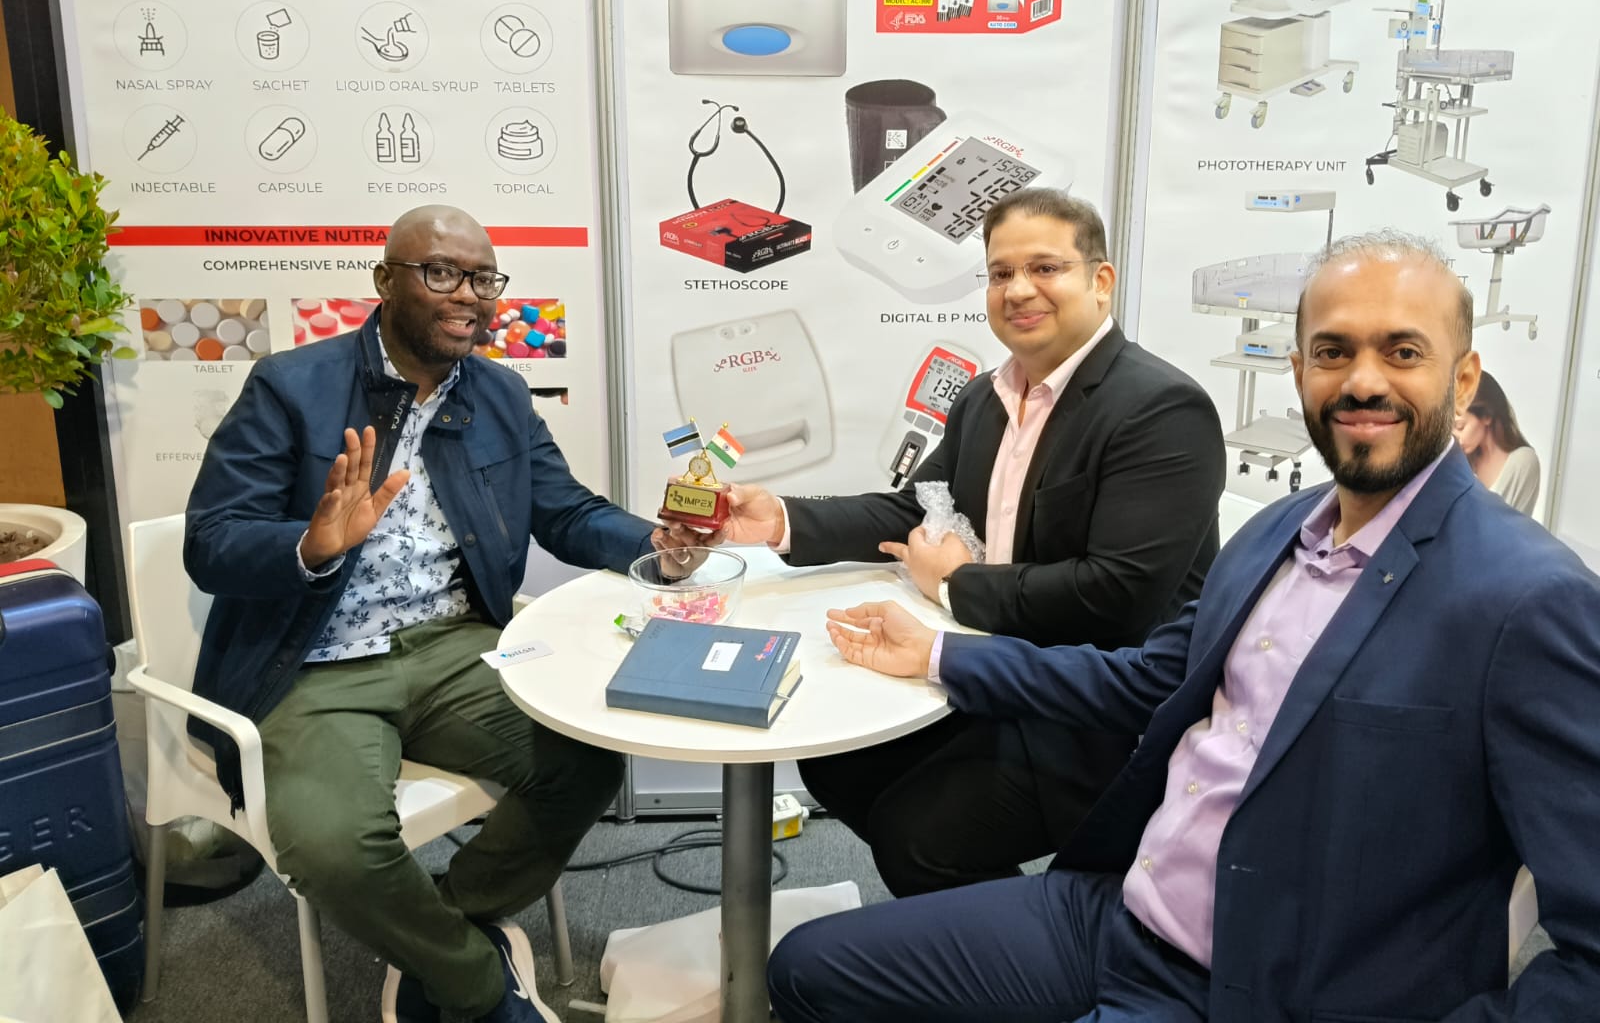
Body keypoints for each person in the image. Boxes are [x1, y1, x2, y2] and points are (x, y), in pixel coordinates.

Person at [767, 230, 1600, 1022]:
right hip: (1124, 915)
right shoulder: (1280, 531)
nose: (1363, 382)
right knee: (805, 971)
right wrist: (938, 655)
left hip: (1257, 984)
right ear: (1299, 369)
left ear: (1464, 380)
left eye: (1404, 352)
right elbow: (1149, 679)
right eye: (1333, 352)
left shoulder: (1528, 600)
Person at [184, 205, 703, 1023]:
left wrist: (659, 546)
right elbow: (211, 542)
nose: (469, 294)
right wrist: (311, 545)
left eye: (483, 278)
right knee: (333, 848)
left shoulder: (497, 392)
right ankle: (474, 982)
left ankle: (441, 926)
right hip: (314, 662)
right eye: (441, 273)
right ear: (385, 281)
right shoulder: (291, 386)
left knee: (589, 760)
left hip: (453, 647)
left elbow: (565, 511)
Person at [723, 189, 1226, 896]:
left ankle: (1031, 942)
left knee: (919, 836)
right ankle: (993, 919)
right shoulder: (985, 397)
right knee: (836, 767)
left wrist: (955, 585)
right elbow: (915, 509)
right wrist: (780, 518)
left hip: (1098, 708)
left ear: (1101, 281)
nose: (1018, 290)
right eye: (1000, 273)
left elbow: (1116, 595)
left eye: (1044, 268)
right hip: (997, 665)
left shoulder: (1160, 409)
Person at [1456, 369, 1541, 515]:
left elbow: (1513, 524)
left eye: (1460, 427)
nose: (1456, 438)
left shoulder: (1522, 462)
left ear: (1487, 416)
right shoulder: (1462, 460)